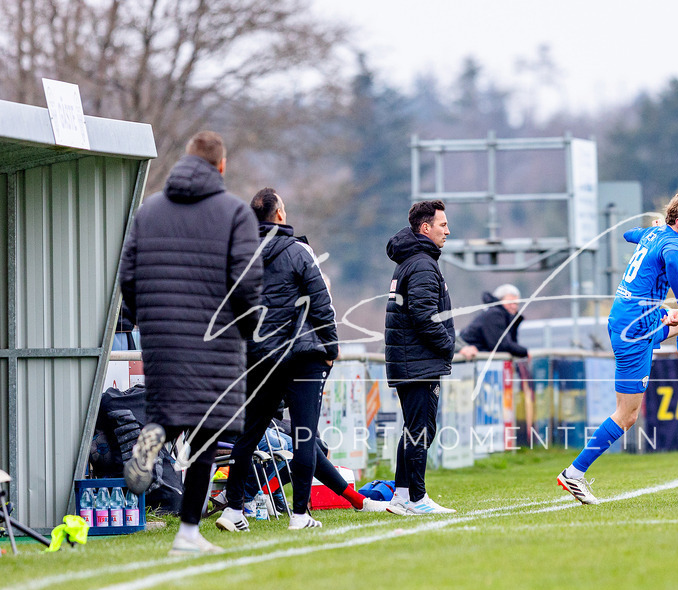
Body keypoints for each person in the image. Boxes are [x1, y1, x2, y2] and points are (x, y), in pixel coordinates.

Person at [119, 131, 262, 555]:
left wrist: (146, 317)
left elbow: (127, 275)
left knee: (169, 412)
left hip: (162, 335)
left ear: (185, 161)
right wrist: (248, 326)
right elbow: (246, 282)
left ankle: (154, 433)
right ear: (221, 166)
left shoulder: (149, 211)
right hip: (216, 341)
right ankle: (187, 533)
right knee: (207, 433)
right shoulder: (235, 212)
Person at [213, 188, 386, 533]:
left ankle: (233, 511)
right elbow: (321, 303)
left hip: (259, 358)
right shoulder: (298, 251)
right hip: (301, 357)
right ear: (279, 214)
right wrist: (332, 347)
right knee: (304, 435)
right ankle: (300, 515)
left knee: (248, 435)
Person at [557, 188, 678, 505]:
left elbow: (627, 234)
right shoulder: (673, 243)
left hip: (626, 318)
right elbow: (673, 263)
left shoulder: (656, 232)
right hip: (637, 326)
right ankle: (574, 474)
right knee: (627, 415)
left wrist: (656, 229)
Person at [384, 199, 463, 515]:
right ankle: (417, 498)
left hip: (411, 361)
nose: (448, 231)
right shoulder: (421, 264)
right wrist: (447, 346)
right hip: (418, 362)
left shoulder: (412, 260)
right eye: (442, 225)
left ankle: (402, 496)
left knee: (414, 429)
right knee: (421, 430)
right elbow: (422, 313)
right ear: (425, 227)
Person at [458, 283, 534, 428]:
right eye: (510, 301)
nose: (514, 306)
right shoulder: (495, 314)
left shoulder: (498, 314)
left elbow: (507, 342)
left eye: (516, 303)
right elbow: (500, 344)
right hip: (469, 363)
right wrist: (524, 351)